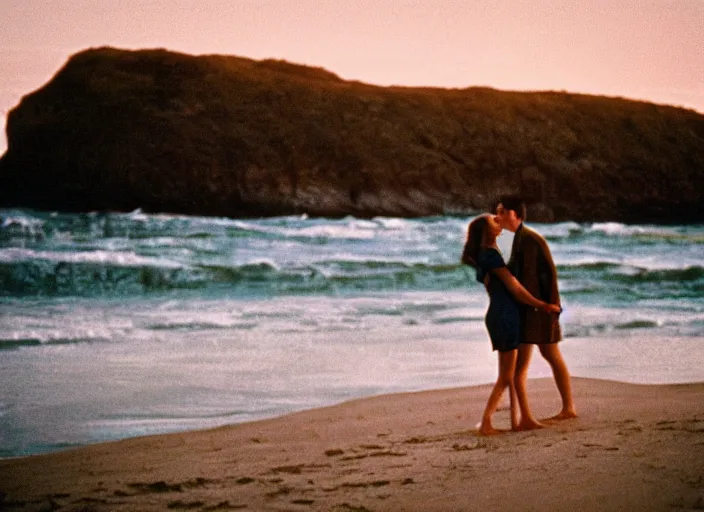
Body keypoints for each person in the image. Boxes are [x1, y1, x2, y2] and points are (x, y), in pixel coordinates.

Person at [462, 214, 561, 435]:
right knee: (506, 376)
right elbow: (514, 286)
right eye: (494, 220)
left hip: (501, 314)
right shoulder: (490, 255)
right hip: (504, 316)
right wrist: (542, 304)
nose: (499, 221)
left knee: (510, 372)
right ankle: (486, 422)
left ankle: (519, 420)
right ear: (487, 231)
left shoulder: (487, 254)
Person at [495, 196, 577, 428]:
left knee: (549, 355)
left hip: (539, 309)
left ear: (515, 214)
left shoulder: (531, 240)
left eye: (502, 212)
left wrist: (553, 307)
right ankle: (523, 415)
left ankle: (567, 408)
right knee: (522, 364)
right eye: (497, 212)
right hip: (524, 309)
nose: (498, 216)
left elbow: (549, 275)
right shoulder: (507, 240)